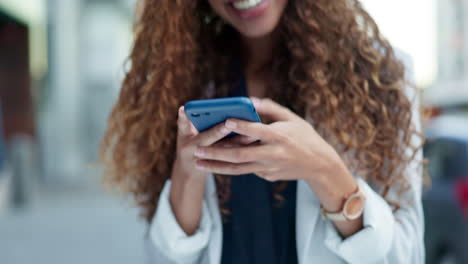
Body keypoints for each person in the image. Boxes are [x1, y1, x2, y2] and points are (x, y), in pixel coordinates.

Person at [101, 0, 425, 263]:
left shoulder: (384, 76)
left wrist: (325, 170)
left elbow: (405, 255)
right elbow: (164, 258)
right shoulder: (179, 79)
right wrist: (188, 171)